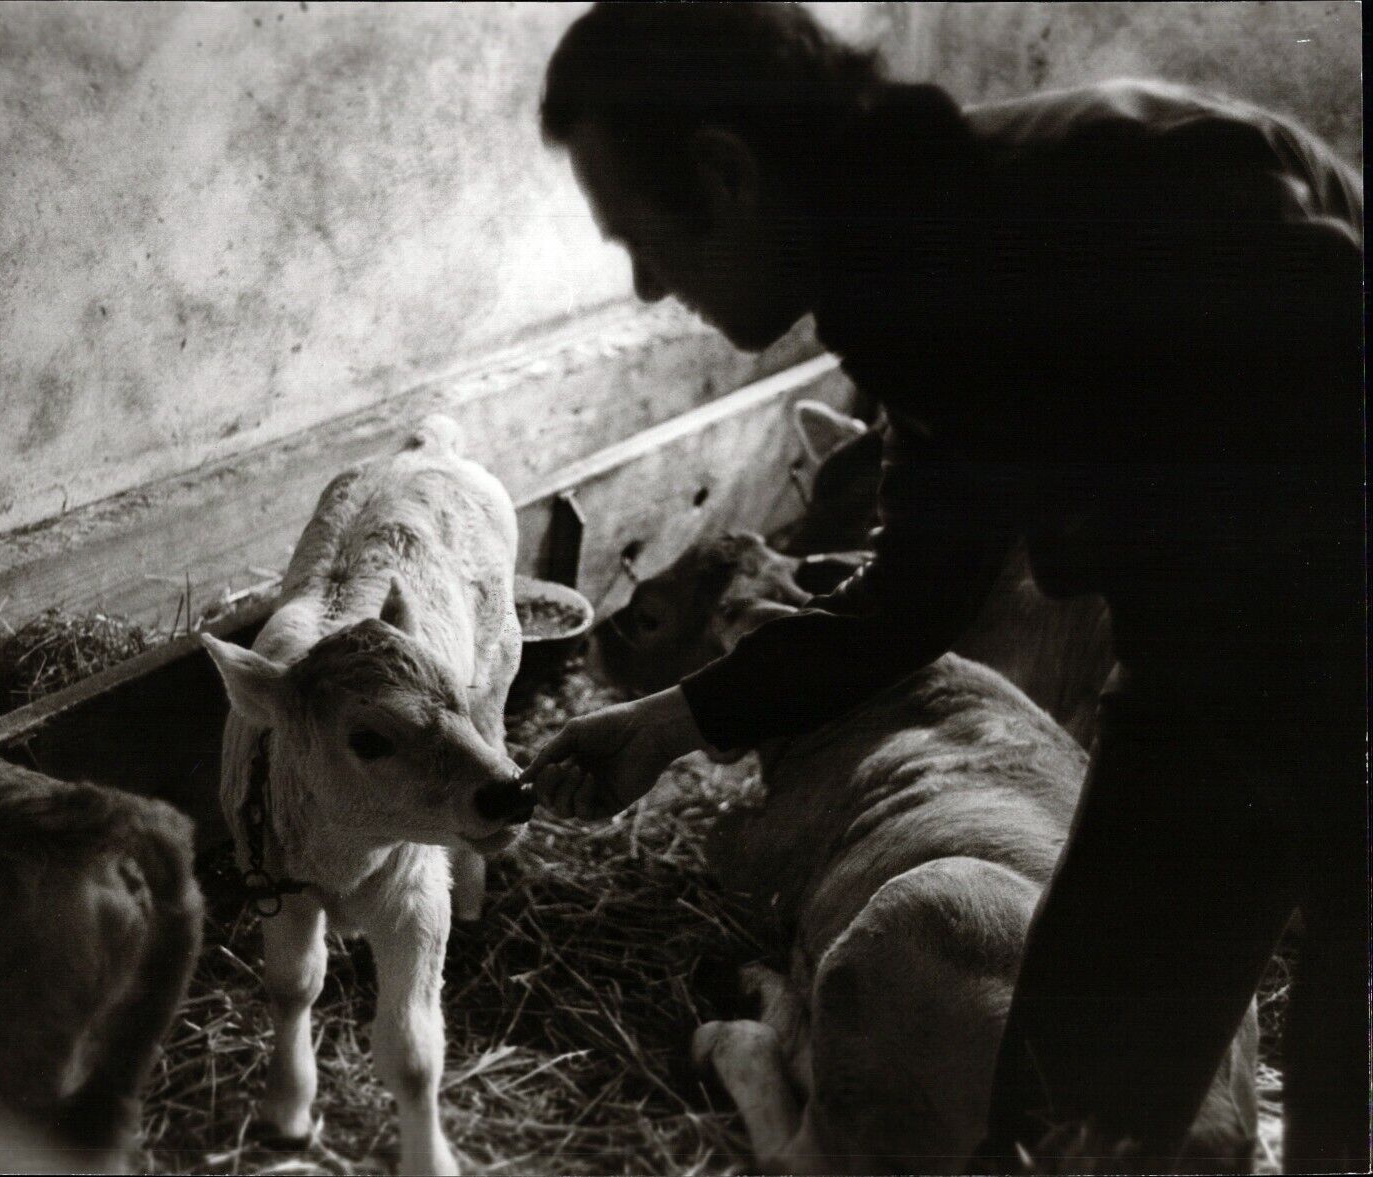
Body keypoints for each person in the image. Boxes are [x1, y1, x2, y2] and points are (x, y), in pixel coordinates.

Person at [522, 4, 1366, 1172]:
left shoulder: (1103, 193)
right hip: (1223, 668)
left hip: (1304, 660)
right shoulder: (909, 286)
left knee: (1320, 1038)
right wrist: (671, 722)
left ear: (725, 172)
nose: (647, 293)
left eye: (643, 244)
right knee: (1068, 1100)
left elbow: (1318, 341)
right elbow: (913, 596)